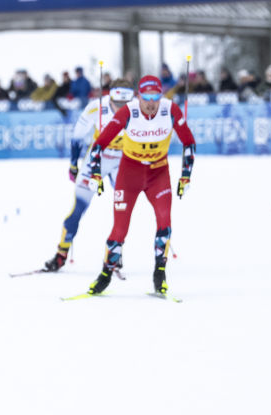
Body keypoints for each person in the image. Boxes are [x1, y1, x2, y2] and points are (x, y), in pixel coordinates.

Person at [84, 75, 196, 296]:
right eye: (146, 97)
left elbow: (189, 142)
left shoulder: (170, 110)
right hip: (130, 174)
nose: (151, 103)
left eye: (156, 97)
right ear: (139, 96)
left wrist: (185, 176)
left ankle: (159, 274)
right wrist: (96, 173)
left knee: (165, 221)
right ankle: (105, 275)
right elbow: (99, 144)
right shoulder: (128, 111)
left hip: (158, 173)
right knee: (120, 229)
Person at [41, 78, 134, 272]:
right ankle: (61, 254)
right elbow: (77, 137)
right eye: (117, 103)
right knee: (78, 209)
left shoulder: (137, 110)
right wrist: (73, 164)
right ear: (110, 96)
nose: (121, 108)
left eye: (125, 103)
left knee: (122, 208)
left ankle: (116, 253)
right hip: (97, 159)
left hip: (123, 161)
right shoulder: (95, 108)